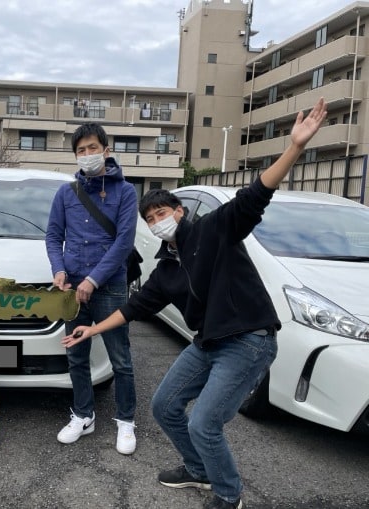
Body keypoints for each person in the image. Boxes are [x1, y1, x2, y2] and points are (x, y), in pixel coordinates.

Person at [62, 98, 328, 509]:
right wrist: (92, 329)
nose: (157, 222)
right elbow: (135, 307)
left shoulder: (214, 230)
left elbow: (254, 196)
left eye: (162, 213)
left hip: (249, 340)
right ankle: (198, 469)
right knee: (165, 405)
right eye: (149, 219)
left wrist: (294, 147)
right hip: (208, 343)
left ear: (180, 212)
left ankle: (228, 494)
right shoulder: (165, 269)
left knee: (205, 422)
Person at [45, 122, 138, 455]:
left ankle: (126, 421)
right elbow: (54, 236)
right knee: (76, 355)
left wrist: (92, 280)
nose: (87, 155)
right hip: (72, 288)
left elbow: (123, 243)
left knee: (120, 359)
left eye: (92, 148)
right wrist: (58, 270)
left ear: (106, 150)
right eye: (81, 150)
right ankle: (84, 415)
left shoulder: (126, 192)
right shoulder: (66, 193)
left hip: (109, 287)